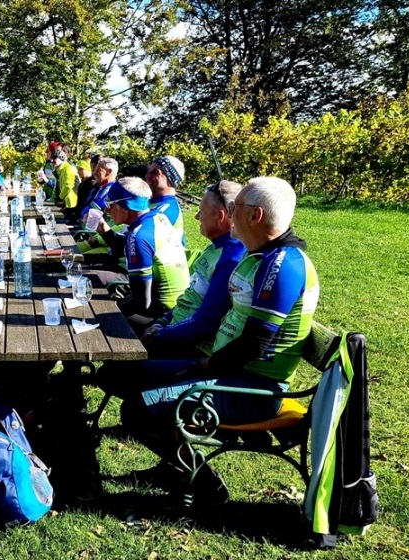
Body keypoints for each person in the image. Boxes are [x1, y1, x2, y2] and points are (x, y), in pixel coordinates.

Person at [116, 177, 320, 501]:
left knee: (137, 410)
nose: (229, 214)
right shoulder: (262, 257)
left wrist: (201, 367)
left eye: (235, 208)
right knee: (131, 376)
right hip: (229, 373)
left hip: (251, 389)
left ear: (255, 216)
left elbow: (255, 343)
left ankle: (205, 485)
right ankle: (178, 466)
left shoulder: (282, 265)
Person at [142, 181, 246, 358]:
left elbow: (206, 322)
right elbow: (189, 297)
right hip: (174, 331)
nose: (197, 216)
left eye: (202, 211)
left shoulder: (231, 258)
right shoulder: (215, 248)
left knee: (117, 372)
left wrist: (159, 335)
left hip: (192, 347)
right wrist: (162, 322)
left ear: (220, 216)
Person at [93, 177, 190, 330]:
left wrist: (110, 309)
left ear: (126, 206)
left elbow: (142, 303)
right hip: (173, 306)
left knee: (91, 315)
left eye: (110, 204)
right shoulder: (157, 218)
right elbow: (125, 248)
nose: (106, 210)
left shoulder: (139, 236)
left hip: (160, 315)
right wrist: (105, 232)